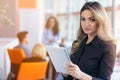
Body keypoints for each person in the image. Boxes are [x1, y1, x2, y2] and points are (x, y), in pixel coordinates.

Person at [64, 2, 116, 80]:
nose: (86, 24)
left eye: (92, 19)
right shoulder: (77, 43)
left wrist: (81, 76)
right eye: (83, 19)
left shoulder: (108, 47)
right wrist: (66, 74)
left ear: (100, 21)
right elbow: (70, 77)